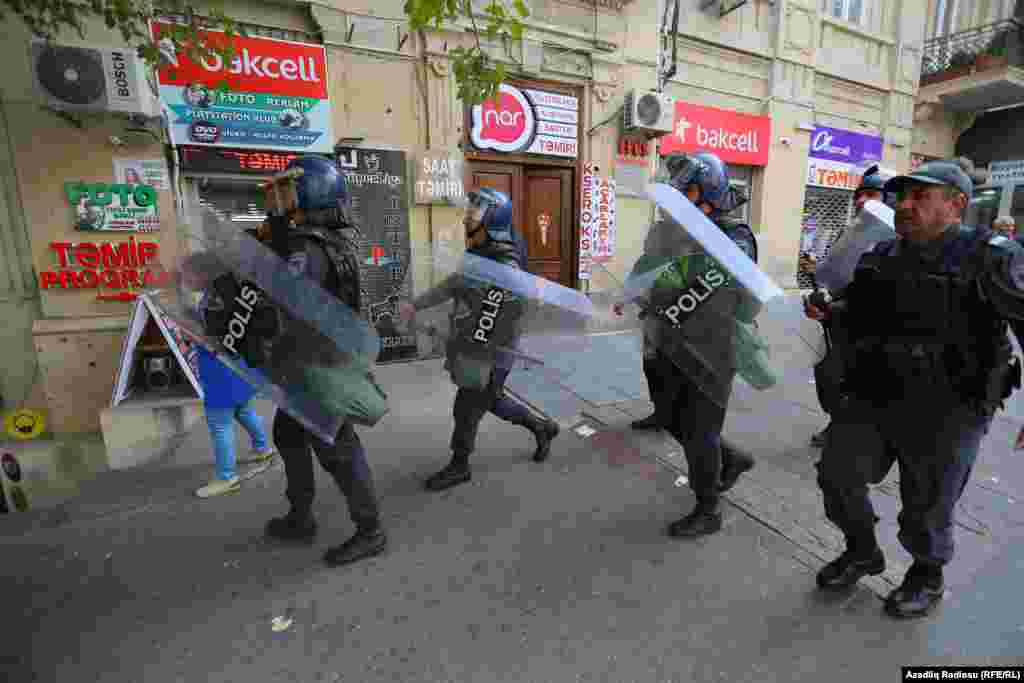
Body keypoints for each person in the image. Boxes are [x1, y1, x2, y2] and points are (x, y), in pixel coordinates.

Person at [805, 159, 1024, 618]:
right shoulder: (882, 255)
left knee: (927, 502)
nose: (904, 205)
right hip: (878, 393)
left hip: (952, 405)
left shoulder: (993, 257)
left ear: (956, 204)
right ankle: (862, 550)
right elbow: (857, 310)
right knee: (837, 473)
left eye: (920, 196)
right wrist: (830, 309)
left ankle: (927, 573)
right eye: (901, 196)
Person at [261, 155, 388, 568]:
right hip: (314, 358)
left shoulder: (307, 247)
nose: (281, 197)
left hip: (316, 363)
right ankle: (300, 515)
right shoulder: (323, 240)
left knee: (337, 448)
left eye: (289, 188)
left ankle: (370, 531)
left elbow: (287, 299)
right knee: (289, 434)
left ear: (310, 191)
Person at [399, 188, 560, 492]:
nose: (465, 218)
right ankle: (542, 427)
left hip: (491, 348)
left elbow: (507, 316)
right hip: (476, 341)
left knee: (468, 405)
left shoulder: (504, 265)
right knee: (491, 399)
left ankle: (460, 465)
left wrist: (474, 344)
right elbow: (454, 284)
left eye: (473, 214)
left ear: (491, 221)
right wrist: (416, 305)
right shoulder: (479, 252)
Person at [642, 152, 759, 538]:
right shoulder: (669, 231)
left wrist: (677, 289)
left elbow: (743, 300)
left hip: (711, 350)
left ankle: (709, 509)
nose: (678, 201)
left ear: (708, 194)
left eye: (687, 192)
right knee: (671, 416)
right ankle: (732, 457)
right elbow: (648, 268)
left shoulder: (734, 237)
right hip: (668, 340)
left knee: (699, 432)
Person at [178, 253, 277, 498]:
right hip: (237, 368)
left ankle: (227, 477)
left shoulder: (216, 297)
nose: (185, 278)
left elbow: (216, 337)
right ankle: (263, 447)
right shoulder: (225, 291)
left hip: (221, 369)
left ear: (202, 274)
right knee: (243, 409)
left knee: (219, 424)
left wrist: (192, 333)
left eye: (188, 274)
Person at [806, 165, 888, 448]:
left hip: (865, 327)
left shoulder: (892, 242)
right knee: (826, 377)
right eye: (860, 194)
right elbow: (832, 271)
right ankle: (838, 419)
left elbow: (874, 291)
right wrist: (818, 294)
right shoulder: (849, 232)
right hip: (834, 321)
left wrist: (837, 306)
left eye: (873, 194)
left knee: (853, 381)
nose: (863, 200)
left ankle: (846, 429)